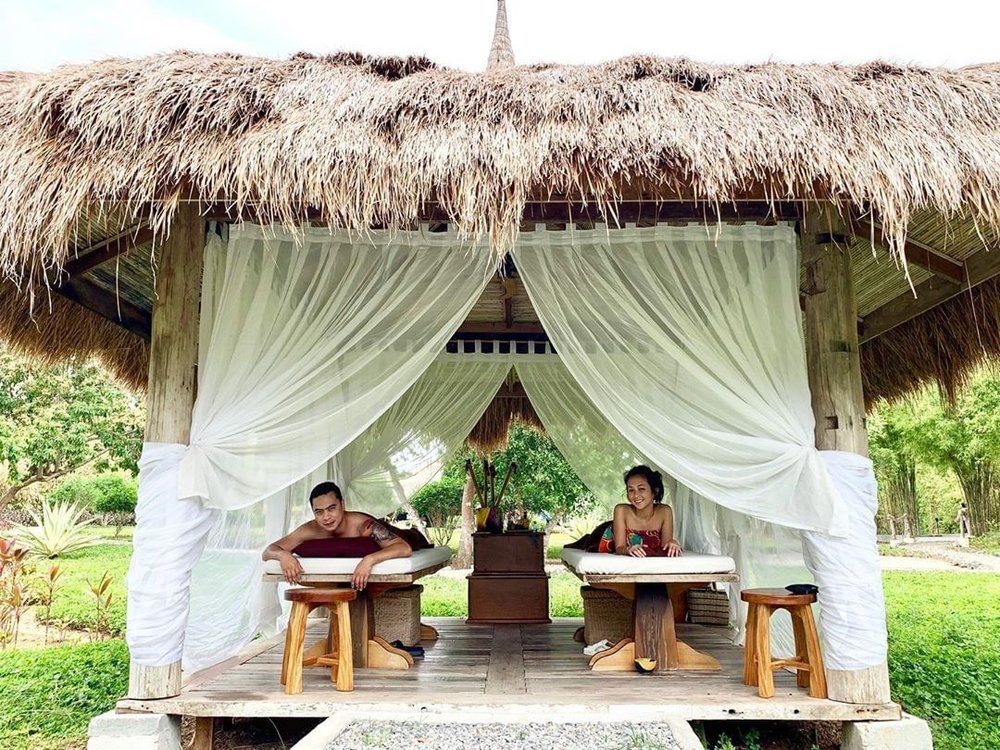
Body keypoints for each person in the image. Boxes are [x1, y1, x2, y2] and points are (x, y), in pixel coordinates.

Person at [262, 481, 412, 590]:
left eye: (331, 508)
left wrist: (370, 559)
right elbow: (267, 552)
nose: (326, 517)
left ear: (343, 505)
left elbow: (404, 547)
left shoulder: (363, 525)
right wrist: (283, 555)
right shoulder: (310, 530)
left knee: (412, 536)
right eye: (319, 512)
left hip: (397, 532)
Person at [599, 465, 682, 557]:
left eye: (641, 489)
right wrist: (627, 549)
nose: (635, 495)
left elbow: (665, 548)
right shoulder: (621, 510)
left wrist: (672, 543)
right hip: (602, 536)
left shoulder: (665, 511)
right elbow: (619, 548)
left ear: (655, 491)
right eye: (631, 490)